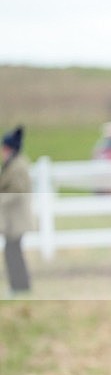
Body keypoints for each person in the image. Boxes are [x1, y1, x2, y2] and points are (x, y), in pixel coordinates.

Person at [0, 125, 33, 296]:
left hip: (16, 219)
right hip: (13, 218)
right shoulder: (12, 164)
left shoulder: (17, 166)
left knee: (13, 252)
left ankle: (19, 286)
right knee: (13, 252)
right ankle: (20, 285)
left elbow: (17, 191)